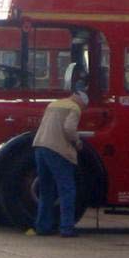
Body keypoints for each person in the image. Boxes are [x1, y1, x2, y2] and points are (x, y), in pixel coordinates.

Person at [32, 91, 88, 237]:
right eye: (84, 107)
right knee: (67, 189)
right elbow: (69, 128)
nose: (83, 109)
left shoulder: (53, 104)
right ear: (81, 102)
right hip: (58, 150)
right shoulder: (74, 108)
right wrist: (77, 141)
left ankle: (42, 227)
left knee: (46, 190)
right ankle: (66, 228)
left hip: (40, 146)